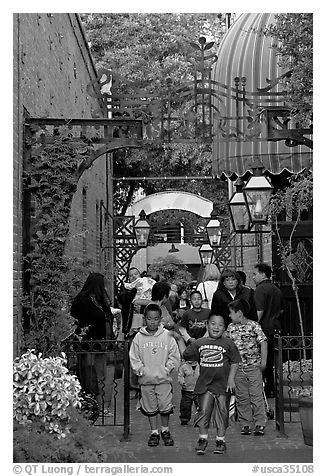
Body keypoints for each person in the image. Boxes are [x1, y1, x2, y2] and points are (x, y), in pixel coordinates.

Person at [176, 314, 242, 455]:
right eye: (213, 323)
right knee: (203, 411)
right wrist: (179, 340)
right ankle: (202, 439)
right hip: (205, 385)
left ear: (224, 328)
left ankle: (220, 440)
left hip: (223, 386)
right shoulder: (199, 343)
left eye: (220, 324)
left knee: (222, 413)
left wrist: (231, 379)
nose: (216, 327)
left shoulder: (228, 343)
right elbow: (186, 354)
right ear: (207, 325)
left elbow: (235, 361)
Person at [129, 303, 180, 447]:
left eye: (156, 319)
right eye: (150, 319)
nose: (153, 322)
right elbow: (134, 356)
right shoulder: (139, 337)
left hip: (163, 379)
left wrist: (168, 368)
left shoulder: (167, 336)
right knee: (150, 408)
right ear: (145, 319)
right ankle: (154, 432)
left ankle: (165, 430)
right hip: (146, 380)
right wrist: (140, 370)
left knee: (165, 406)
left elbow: (174, 355)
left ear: (160, 319)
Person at [70, 272, 115, 414]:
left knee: (100, 374)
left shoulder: (100, 300)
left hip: (100, 344)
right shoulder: (83, 300)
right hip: (88, 343)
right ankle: (92, 405)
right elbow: (78, 319)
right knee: (89, 373)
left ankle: (100, 404)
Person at [225, 299, 268, 436]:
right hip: (237, 368)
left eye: (231, 313)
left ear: (240, 313)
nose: (230, 316)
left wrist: (263, 362)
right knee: (241, 396)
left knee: (256, 395)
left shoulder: (254, 326)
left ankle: (260, 423)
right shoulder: (230, 328)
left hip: (253, 367)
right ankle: (245, 423)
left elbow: (263, 342)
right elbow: (227, 346)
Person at [253, 263, 283, 398]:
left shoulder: (260, 290)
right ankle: (273, 388)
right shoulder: (277, 289)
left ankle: (266, 389)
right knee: (273, 361)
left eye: (255, 274)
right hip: (276, 327)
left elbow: (259, 311)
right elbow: (281, 310)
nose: (253, 277)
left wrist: (252, 326)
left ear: (263, 274)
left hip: (264, 329)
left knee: (263, 361)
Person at [178, 358, 200, 425]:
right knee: (185, 406)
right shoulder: (184, 366)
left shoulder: (200, 366)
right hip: (187, 390)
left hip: (198, 390)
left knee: (200, 406)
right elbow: (180, 376)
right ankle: (184, 418)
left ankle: (199, 419)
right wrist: (182, 382)